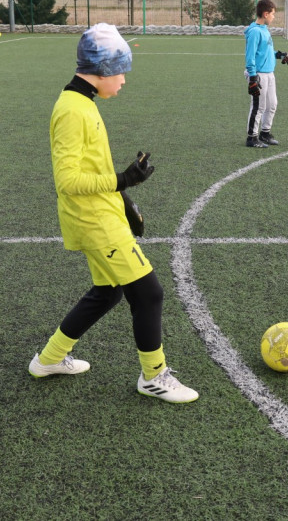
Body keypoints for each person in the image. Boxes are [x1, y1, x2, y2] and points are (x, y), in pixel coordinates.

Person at [28, 23, 198, 403]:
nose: (123, 80)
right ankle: (154, 377)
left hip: (102, 215)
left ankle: (49, 359)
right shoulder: (73, 111)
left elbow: (92, 168)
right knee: (150, 294)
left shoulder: (83, 102)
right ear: (102, 69)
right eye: (120, 72)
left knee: (108, 293)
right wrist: (121, 179)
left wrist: (124, 197)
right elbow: (68, 179)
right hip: (93, 221)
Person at [245, 0, 288, 148]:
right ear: (265, 14)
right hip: (258, 74)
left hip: (270, 73)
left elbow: (266, 51)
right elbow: (250, 56)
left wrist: (279, 55)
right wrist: (252, 77)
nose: (273, 17)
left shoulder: (265, 30)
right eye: (272, 14)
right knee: (259, 106)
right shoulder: (255, 32)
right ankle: (252, 137)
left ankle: (265, 133)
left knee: (272, 104)